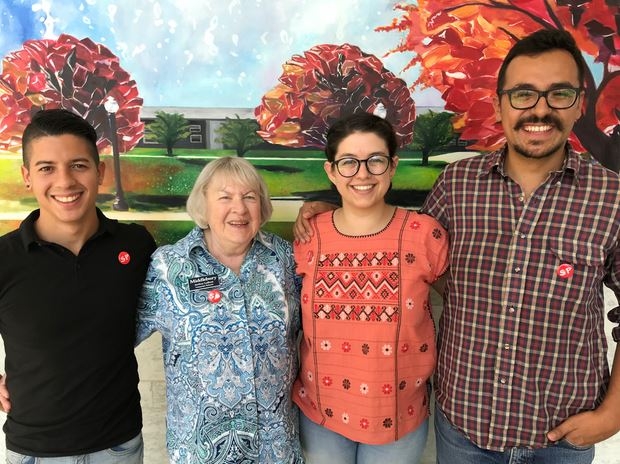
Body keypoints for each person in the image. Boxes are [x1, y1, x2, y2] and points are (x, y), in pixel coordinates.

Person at [295, 29, 620, 463]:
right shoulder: (457, 185)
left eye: (558, 94)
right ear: (500, 103)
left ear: (580, 102)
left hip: (562, 434)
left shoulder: (612, 197)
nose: (539, 109)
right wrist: (325, 211)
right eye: (523, 94)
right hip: (464, 428)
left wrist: (614, 414)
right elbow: (403, 247)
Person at [0, 108, 156, 462]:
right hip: (34, 451)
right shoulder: (5, 257)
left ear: (100, 172)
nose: (65, 181)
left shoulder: (135, 245)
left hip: (119, 447)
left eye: (78, 165)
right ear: (27, 176)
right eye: (46, 169)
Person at [292, 112, 448, 463]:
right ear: (331, 171)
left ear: (393, 166)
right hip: (320, 414)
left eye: (375, 161)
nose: (362, 174)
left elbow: (464, 306)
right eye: (348, 162)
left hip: (398, 417)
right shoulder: (309, 235)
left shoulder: (425, 234)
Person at [136, 156, 304, 463]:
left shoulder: (285, 260)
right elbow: (113, 334)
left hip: (274, 448)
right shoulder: (169, 266)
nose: (239, 209)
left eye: (249, 197)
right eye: (225, 197)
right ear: (204, 205)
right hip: (199, 450)